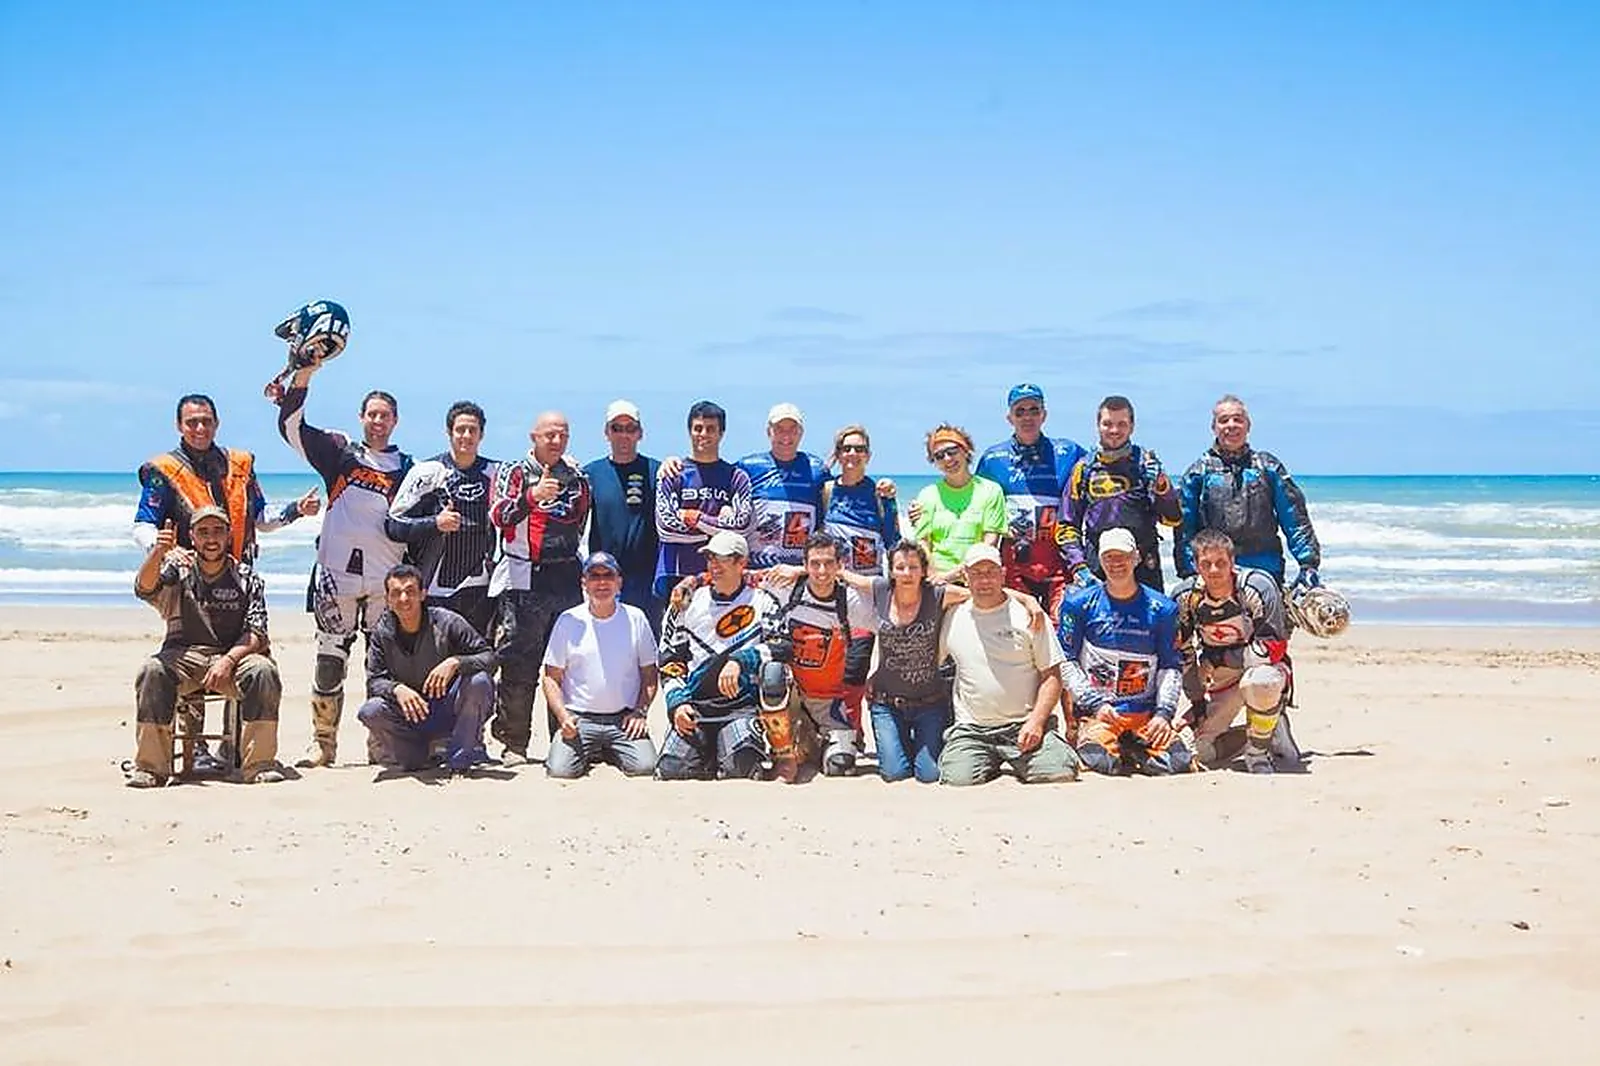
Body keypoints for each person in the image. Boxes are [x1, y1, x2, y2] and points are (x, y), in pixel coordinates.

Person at [275, 364, 412, 769]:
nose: (378, 421)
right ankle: (323, 745)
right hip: (338, 575)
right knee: (330, 659)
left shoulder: (408, 468)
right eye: (372, 414)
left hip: (386, 580)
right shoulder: (340, 453)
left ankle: (381, 746)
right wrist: (301, 379)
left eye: (385, 415)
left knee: (380, 665)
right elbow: (291, 428)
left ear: (395, 421)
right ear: (361, 418)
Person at [129, 507, 285, 787]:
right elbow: (145, 588)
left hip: (233, 658)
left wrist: (227, 661)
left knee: (263, 671)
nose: (210, 538)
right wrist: (157, 552)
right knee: (152, 670)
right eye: (203, 532)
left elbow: (257, 632)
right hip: (185, 656)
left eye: (217, 531)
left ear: (228, 536)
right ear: (192, 537)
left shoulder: (246, 577)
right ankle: (151, 768)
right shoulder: (178, 571)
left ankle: (259, 765)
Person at [487, 411, 592, 764]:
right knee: (519, 664)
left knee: (565, 664)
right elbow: (499, 516)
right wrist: (532, 497)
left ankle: (561, 739)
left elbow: (579, 519)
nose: (556, 441)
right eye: (549, 435)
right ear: (533, 436)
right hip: (523, 577)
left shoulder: (577, 476)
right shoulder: (513, 472)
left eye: (562, 435)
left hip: (565, 576)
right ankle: (513, 742)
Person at [937, 543, 1079, 786]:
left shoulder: (1029, 615)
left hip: (1024, 725)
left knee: (1059, 773)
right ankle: (984, 759)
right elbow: (917, 589)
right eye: (977, 573)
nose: (984, 580)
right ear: (965, 577)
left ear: (1003, 574)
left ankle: (1038, 748)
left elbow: (1052, 675)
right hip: (973, 728)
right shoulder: (952, 615)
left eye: (991, 572)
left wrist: (1036, 721)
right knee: (958, 780)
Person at [1058, 529, 1191, 776]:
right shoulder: (1078, 605)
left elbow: (1171, 666)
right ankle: (1112, 744)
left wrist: (1164, 714)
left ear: (1137, 558)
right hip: (1100, 713)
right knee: (1102, 763)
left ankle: (1135, 746)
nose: (1116, 564)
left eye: (1123, 556)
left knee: (1179, 762)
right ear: (1099, 560)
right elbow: (1066, 661)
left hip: (1145, 714)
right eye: (1109, 557)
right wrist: (1093, 703)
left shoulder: (1163, 608)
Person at [655, 531, 783, 781]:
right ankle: (707, 751)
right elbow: (670, 660)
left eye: (722, 559)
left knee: (741, 768)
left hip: (740, 706)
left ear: (741, 563)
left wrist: (740, 660)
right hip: (696, 706)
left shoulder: (763, 601)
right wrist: (677, 703)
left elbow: (782, 646)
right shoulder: (686, 602)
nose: (714, 566)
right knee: (671, 771)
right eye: (710, 558)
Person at [134, 393, 320, 562]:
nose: (200, 428)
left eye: (206, 421)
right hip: (186, 578)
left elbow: (260, 518)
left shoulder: (240, 463)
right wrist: (162, 549)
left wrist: (296, 509)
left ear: (216, 424)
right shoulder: (163, 470)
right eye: (192, 422)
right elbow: (143, 526)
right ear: (179, 426)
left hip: (236, 576)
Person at [1172, 529, 1299, 774]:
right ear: (1196, 565)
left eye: (1221, 563)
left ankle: (1257, 753)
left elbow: (1273, 647)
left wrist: (1221, 658)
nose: (1214, 571)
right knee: (1197, 753)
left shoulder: (1257, 586)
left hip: (1263, 670)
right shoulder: (1186, 597)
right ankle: (1265, 730)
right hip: (1220, 679)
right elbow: (1184, 652)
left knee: (1260, 683)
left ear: (1232, 562)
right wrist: (1197, 702)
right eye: (1206, 564)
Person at [357, 564, 498, 775]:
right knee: (371, 710)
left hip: (449, 708)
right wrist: (397, 689)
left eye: (410, 591)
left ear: (423, 594)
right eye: (396, 593)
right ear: (387, 599)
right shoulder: (382, 633)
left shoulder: (448, 622)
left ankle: (459, 762)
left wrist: (456, 662)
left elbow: (490, 658)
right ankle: (417, 758)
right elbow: (374, 681)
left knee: (479, 681)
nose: (404, 599)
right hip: (410, 715)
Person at [759, 532, 881, 777]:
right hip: (790, 699)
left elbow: (893, 627)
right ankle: (784, 754)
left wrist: (882, 672)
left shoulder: (849, 602)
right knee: (771, 671)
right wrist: (689, 586)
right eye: (815, 564)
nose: (822, 571)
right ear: (804, 565)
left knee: (840, 767)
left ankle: (813, 744)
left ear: (840, 565)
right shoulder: (787, 589)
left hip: (828, 702)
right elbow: (735, 575)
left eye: (828, 563)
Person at [1174, 394, 1321, 589]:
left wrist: (1308, 564)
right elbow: (1184, 526)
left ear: (1248, 426)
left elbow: (1294, 518)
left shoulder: (1268, 467)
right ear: (1214, 427)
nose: (1231, 425)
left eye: (1238, 419)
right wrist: (1188, 570)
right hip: (1213, 571)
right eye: (1224, 420)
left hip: (1265, 570)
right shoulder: (1198, 473)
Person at [385, 401, 501, 638]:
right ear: (449, 432)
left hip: (480, 588)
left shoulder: (495, 473)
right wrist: (435, 523)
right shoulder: (427, 472)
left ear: (482, 435)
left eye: (473, 430)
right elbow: (393, 526)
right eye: (460, 430)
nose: (466, 436)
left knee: (478, 663)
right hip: (435, 587)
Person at [542, 552, 660, 779]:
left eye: (608, 575)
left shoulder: (636, 618)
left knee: (645, 767)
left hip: (623, 719)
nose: (602, 582)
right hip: (580, 718)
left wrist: (640, 711)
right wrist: (563, 717)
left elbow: (649, 673)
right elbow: (550, 677)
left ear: (619, 582)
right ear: (584, 583)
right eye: (594, 576)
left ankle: (606, 749)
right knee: (560, 771)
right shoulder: (568, 620)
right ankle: (596, 748)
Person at [975, 384, 1085, 617]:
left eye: (1034, 410)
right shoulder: (993, 458)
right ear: (1009, 417)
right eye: (1020, 411)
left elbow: (1100, 476)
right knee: (1019, 633)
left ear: (1044, 414)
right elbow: (971, 501)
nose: (1027, 417)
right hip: (1014, 565)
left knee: (1059, 636)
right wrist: (920, 508)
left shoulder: (1069, 452)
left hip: (1058, 564)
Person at [1058, 395, 1180, 593]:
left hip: (1143, 567)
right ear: (1098, 426)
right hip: (1098, 567)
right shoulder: (1084, 469)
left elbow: (1172, 519)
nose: (1114, 431)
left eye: (1121, 424)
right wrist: (1079, 566)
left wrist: (1162, 487)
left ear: (1132, 426)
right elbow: (1066, 525)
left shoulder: (1146, 464)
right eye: (1108, 424)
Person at [652, 400, 754, 601]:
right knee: (677, 632)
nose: (704, 434)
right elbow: (666, 529)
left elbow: (741, 528)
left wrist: (693, 518)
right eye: (698, 428)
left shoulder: (736, 477)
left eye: (710, 429)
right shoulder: (672, 474)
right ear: (689, 431)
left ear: (721, 433)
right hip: (677, 573)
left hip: (724, 576)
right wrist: (721, 526)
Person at [583, 399, 664, 635]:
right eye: (617, 428)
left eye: (631, 428)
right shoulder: (589, 474)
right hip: (603, 578)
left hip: (645, 581)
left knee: (646, 648)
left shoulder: (658, 471)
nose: (624, 435)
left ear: (640, 433)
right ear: (607, 433)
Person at [736, 402, 831, 569]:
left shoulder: (817, 469)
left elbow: (842, 499)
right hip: (757, 572)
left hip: (799, 573)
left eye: (792, 429)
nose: (786, 436)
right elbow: (716, 481)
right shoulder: (749, 466)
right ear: (768, 432)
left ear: (801, 433)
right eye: (779, 429)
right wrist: (677, 465)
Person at [911, 424, 1006, 583]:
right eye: (939, 456)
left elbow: (989, 543)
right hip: (936, 580)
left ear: (966, 450)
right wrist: (935, 576)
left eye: (952, 451)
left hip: (977, 578)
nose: (947, 459)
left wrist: (953, 575)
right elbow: (923, 543)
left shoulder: (991, 491)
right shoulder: (927, 495)